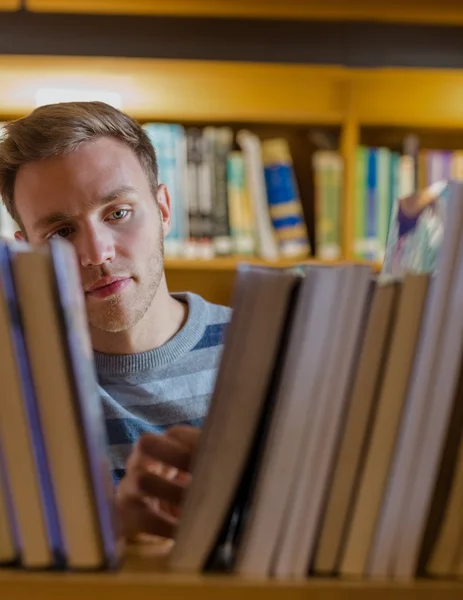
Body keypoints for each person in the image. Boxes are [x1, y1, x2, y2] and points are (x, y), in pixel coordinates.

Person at [0, 101, 232, 541]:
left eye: (118, 213)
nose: (96, 253)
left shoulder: (271, 348)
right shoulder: (14, 385)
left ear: (164, 209)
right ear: (27, 250)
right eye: (61, 232)